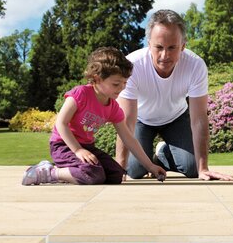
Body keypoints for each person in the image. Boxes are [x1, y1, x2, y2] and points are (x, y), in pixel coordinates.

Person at [116, 9, 233, 181]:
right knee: (134, 170)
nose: (165, 55)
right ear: (149, 44)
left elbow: (199, 118)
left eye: (172, 47)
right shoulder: (132, 65)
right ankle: (145, 160)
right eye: (159, 47)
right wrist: (120, 166)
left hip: (176, 118)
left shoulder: (195, 65)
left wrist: (203, 168)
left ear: (183, 46)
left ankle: (163, 154)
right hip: (142, 120)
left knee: (192, 168)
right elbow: (126, 119)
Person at [22, 47, 166, 186]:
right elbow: (61, 123)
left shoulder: (113, 107)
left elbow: (128, 138)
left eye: (125, 83)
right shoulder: (81, 94)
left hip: (87, 147)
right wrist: (77, 150)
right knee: (92, 174)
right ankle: (48, 173)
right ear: (97, 79)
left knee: (117, 174)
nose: (122, 87)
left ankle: (74, 173)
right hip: (64, 146)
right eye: (116, 83)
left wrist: (150, 166)